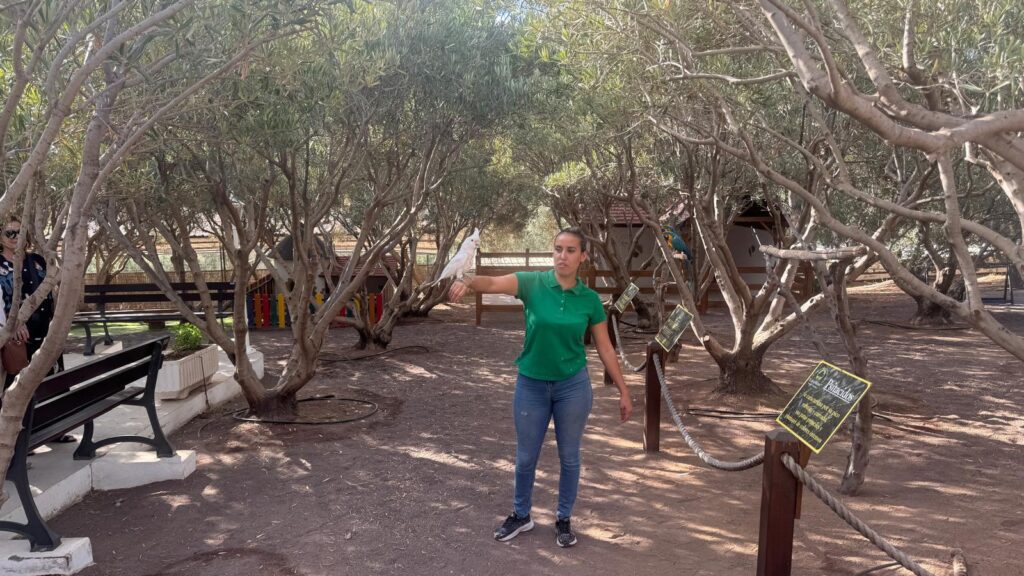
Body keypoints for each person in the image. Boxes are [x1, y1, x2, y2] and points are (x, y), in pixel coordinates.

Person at [448, 227, 633, 548]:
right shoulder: (533, 283)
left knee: (570, 457)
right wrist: (468, 280)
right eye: (558, 248)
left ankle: (563, 519)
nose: (563, 255)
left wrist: (624, 389)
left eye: (571, 250)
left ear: (583, 257)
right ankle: (521, 514)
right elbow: (492, 282)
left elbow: (604, 347)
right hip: (531, 384)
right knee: (525, 457)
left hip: (572, 387)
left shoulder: (589, 300)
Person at [1, 216, 55, 377]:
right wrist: (15, 323)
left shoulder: (37, 260)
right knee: (19, 387)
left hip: (46, 332)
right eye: (9, 233)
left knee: (52, 384)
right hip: (16, 339)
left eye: (20, 232)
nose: (16, 237)